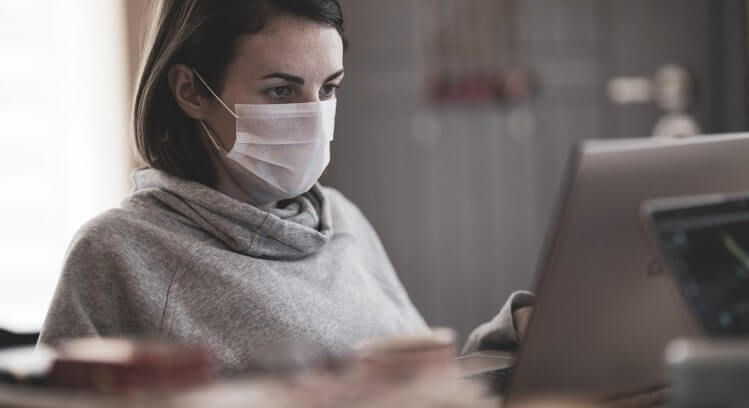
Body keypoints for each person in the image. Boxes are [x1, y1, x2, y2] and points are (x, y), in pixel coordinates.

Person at [39, 0, 533, 375]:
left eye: (328, 89)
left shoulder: (342, 219)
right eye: (281, 91)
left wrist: (514, 337)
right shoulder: (118, 253)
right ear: (191, 91)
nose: (314, 118)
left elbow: (420, 388)